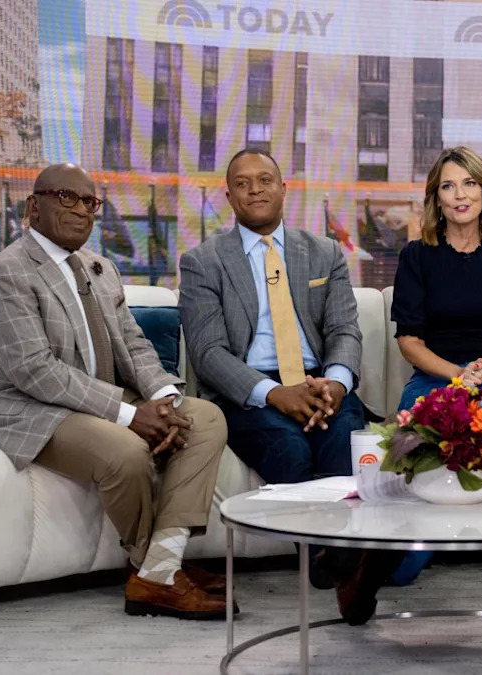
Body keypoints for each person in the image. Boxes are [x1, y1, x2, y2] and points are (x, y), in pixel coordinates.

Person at [0, 163, 230, 619]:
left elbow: (134, 345)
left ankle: (159, 569)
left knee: (204, 419)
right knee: (125, 449)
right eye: (66, 197)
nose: (82, 210)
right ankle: (159, 571)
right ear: (33, 207)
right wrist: (130, 415)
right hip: (28, 407)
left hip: (97, 400)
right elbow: (35, 371)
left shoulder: (101, 268)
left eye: (90, 202)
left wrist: (164, 399)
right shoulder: (7, 271)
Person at [178, 149, 399, 625]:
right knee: (290, 449)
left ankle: (334, 562)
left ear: (283, 188)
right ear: (229, 196)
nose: (255, 189)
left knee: (342, 441)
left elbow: (344, 331)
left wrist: (336, 384)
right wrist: (274, 394)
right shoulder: (202, 262)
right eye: (242, 183)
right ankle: (349, 564)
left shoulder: (323, 252)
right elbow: (209, 353)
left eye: (265, 180)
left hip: (320, 381)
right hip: (250, 393)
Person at [387, 146, 482, 585]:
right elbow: (409, 341)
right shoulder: (416, 256)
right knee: (413, 424)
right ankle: (401, 554)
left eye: (470, 183)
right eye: (448, 186)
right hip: (433, 377)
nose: (460, 195)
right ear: (436, 198)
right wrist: (457, 375)